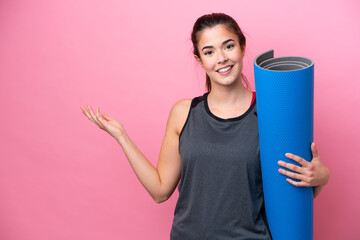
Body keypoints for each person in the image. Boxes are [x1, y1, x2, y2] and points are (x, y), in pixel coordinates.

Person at [80, 13, 330, 240]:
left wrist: (321, 178)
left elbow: (288, 195)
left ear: (242, 47)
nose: (221, 58)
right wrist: (122, 136)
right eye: (209, 52)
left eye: (228, 46)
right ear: (199, 59)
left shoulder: (271, 114)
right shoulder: (183, 113)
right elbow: (159, 191)